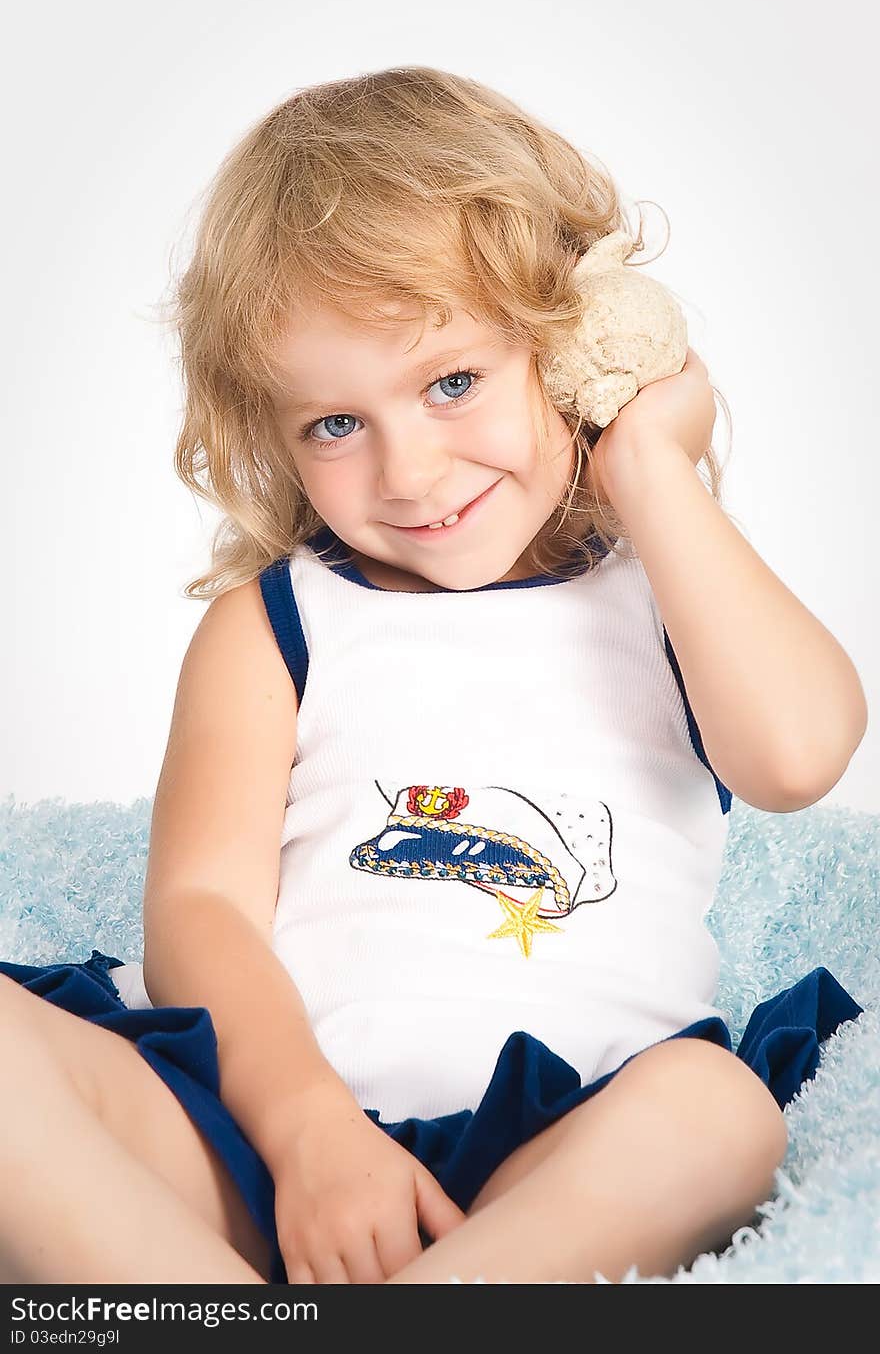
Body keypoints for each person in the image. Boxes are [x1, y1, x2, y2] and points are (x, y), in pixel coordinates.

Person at [0, 66, 867, 1287]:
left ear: (570, 340)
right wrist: (305, 1128)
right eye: (334, 425)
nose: (407, 472)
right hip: (262, 1137)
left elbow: (796, 752)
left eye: (452, 381)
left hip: (561, 1153)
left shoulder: (667, 589)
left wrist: (650, 469)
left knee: (721, 1110)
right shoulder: (279, 623)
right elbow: (200, 911)